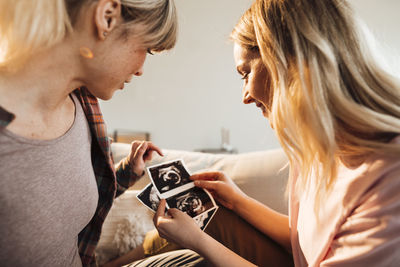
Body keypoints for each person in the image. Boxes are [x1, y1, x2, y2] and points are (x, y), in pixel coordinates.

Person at [105, 0, 400, 266]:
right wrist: (238, 201)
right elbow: (306, 244)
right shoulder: (315, 149)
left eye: (246, 73)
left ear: (287, 61)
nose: (245, 95)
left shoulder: (388, 178)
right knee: (214, 219)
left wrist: (198, 242)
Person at [0, 0, 177, 266]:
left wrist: (128, 171)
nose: (141, 70)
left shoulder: (84, 104)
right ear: (107, 17)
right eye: (148, 50)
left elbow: (58, 200)